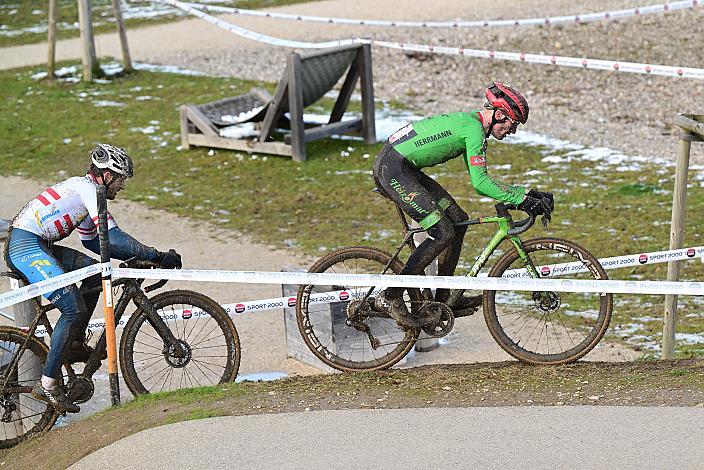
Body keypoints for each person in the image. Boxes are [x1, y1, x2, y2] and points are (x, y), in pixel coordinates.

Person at [3, 144, 183, 414]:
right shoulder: (89, 191)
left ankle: (73, 344)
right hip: (26, 247)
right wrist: (157, 255)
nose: (122, 187)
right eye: (121, 179)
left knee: (96, 272)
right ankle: (48, 384)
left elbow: (95, 243)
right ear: (107, 175)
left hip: (39, 244)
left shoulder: (88, 193)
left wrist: (140, 256)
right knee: (72, 309)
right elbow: (114, 237)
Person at [372, 82, 554, 327]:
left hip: (404, 167)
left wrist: (529, 192)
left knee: (457, 220)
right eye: (513, 123)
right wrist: (523, 200)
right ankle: (391, 296)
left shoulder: (473, 125)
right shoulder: (474, 130)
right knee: (443, 232)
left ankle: (445, 296)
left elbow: (481, 179)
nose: (513, 131)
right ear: (500, 114)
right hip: (394, 169)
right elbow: (480, 183)